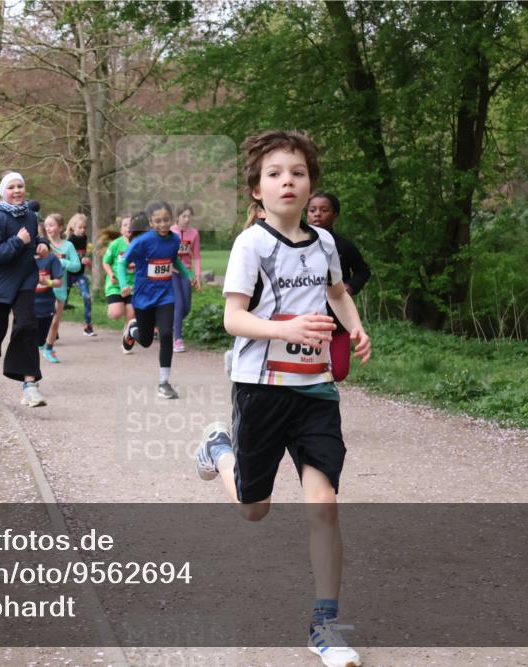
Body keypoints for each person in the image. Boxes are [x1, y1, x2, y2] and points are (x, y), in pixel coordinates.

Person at [193, 130, 371, 667]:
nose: (287, 181)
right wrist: (285, 325)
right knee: (254, 510)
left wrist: (356, 328)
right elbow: (233, 318)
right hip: (262, 389)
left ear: (311, 182)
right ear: (257, 190)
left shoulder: (324, 243)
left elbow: (337, 290)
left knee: (325, 507)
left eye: (296, 172)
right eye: (274, 174)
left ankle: (325, 627)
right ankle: (218, 450)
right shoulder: (253, 244)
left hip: (315, 390)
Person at [0, 171, 50, 407]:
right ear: (3, 192)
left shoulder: (31, 215)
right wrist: (18, 242)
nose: (17, 191)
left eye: (20, 186)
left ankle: (30, 386)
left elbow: (35, 240)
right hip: (0, 284)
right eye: (11, 187)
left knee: (27, 326)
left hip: (25, 280)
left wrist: (43, 245)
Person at [117, 202, 198, 399]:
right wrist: (122, 285)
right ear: (151, 222)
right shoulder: (142, 241)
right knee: (145, 341)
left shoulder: (173, 240)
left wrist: (188, 273)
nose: (162, 224)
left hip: (165, 296)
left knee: (166, 334)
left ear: (171, 220)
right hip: (144, 297)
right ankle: (132, 330)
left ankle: (164, 383)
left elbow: (173, 260)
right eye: (158, 221)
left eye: (166, 220)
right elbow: (122, 263)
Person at [307, 193, 371, 382]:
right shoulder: (295, 244)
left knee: (339, 371)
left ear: (335, 215)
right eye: (312, 210)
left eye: (324, 210)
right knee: (304, 369)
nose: (317, 214)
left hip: (337, 319)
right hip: (305, 317)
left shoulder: (344, 246)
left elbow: (363, 271)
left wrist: (350, 287)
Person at [42, 213, 81, 363]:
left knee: (55, 321)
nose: (48, 228)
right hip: (42, 288)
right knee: (41, 319)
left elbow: (77, 266)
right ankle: (39, 343)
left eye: (51, 225)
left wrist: (62, 263)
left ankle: (49, 348)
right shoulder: (43, 245)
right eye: (46, 226)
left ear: (60, 227)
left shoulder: (68, 246)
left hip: (60, 287)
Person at [102, 215, 138, 349]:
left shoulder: (140, 244)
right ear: (121, 230)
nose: (129, 227)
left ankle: (127, 338)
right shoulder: (116, 244)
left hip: (133, 285)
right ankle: (114, 307)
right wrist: (111, 274)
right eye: (125, 225)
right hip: (116, 285)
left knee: (131, 312)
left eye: (132, 225)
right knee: (116, 313)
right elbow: (105, 263)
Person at [170, 204, 202, 352]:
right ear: (177, 217)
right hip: (172, 272)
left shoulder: (194, 233)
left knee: (186, 308)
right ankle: (177, 339)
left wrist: (197, 276)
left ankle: (168, 323)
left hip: (186, 273)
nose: (187, 219)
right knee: (179, 305)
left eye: (189, 216)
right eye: (184, 216)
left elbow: (196, 257)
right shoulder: (170, 232)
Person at [34, 222, 66, 363]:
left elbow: (59, 281)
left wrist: (48, 282)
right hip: (29, 302)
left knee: (41, 339)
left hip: (46, 303)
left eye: (39, 236)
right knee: (27, 333)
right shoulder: (25, 259)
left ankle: (46, 348)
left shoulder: (51, 258)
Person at [64, 213, 96, 336]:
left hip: (79, 275)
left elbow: (83, 256)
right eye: (80, 227)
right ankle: (52, 328)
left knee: (87, 297)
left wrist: (87, 261)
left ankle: (88, 326)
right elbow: (66, 258)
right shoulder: (69, 241)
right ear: (73, 227)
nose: (82, 230)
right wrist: (79, 258)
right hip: (67, 274)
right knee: (61, 302)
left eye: (84, 227)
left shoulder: (84, 238)